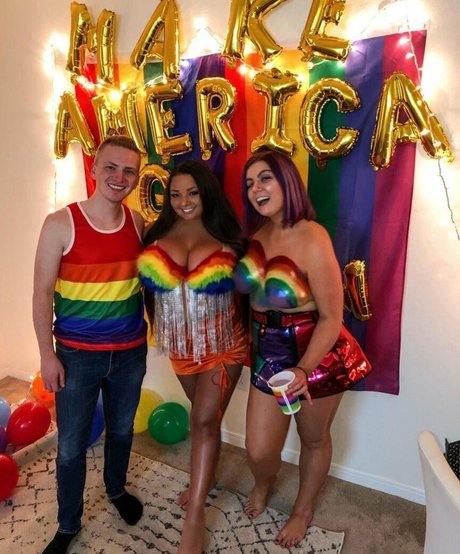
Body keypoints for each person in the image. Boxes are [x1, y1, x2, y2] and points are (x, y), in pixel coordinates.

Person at [234, 149, 372, 549]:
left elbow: (332, 317)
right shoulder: (254, 238)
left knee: (313, 437)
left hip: (316, 350)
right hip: (268, 347)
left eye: (265, 178)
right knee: (259, 449)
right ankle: (265, 481)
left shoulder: (314, 237)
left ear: (287, 182)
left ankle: (303, 509)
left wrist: (304, 369)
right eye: (250, 183)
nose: (256, 189)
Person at [33, 135, 148, 554]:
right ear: (94, 169)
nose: (120, 177)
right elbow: (42, 293)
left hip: (130, 353)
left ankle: (115, 490)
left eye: (129, 171)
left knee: (122, 430)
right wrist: (47, 355)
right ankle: (68, 523)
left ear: (136, 178)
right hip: (76, 357)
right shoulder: (60, 223)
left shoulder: (137, 223)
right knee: (70, 446)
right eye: (111, 167)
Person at [137, 159, 246, 554]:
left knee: (201, 422)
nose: (183, 201)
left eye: (193, 193)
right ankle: (208, 477)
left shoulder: (229, 238)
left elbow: (251, 292)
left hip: (223, 346)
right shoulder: (155, 234)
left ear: (206, 194)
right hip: (181, 351)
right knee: (206, 422)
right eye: (176, 194)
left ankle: (195, 519)